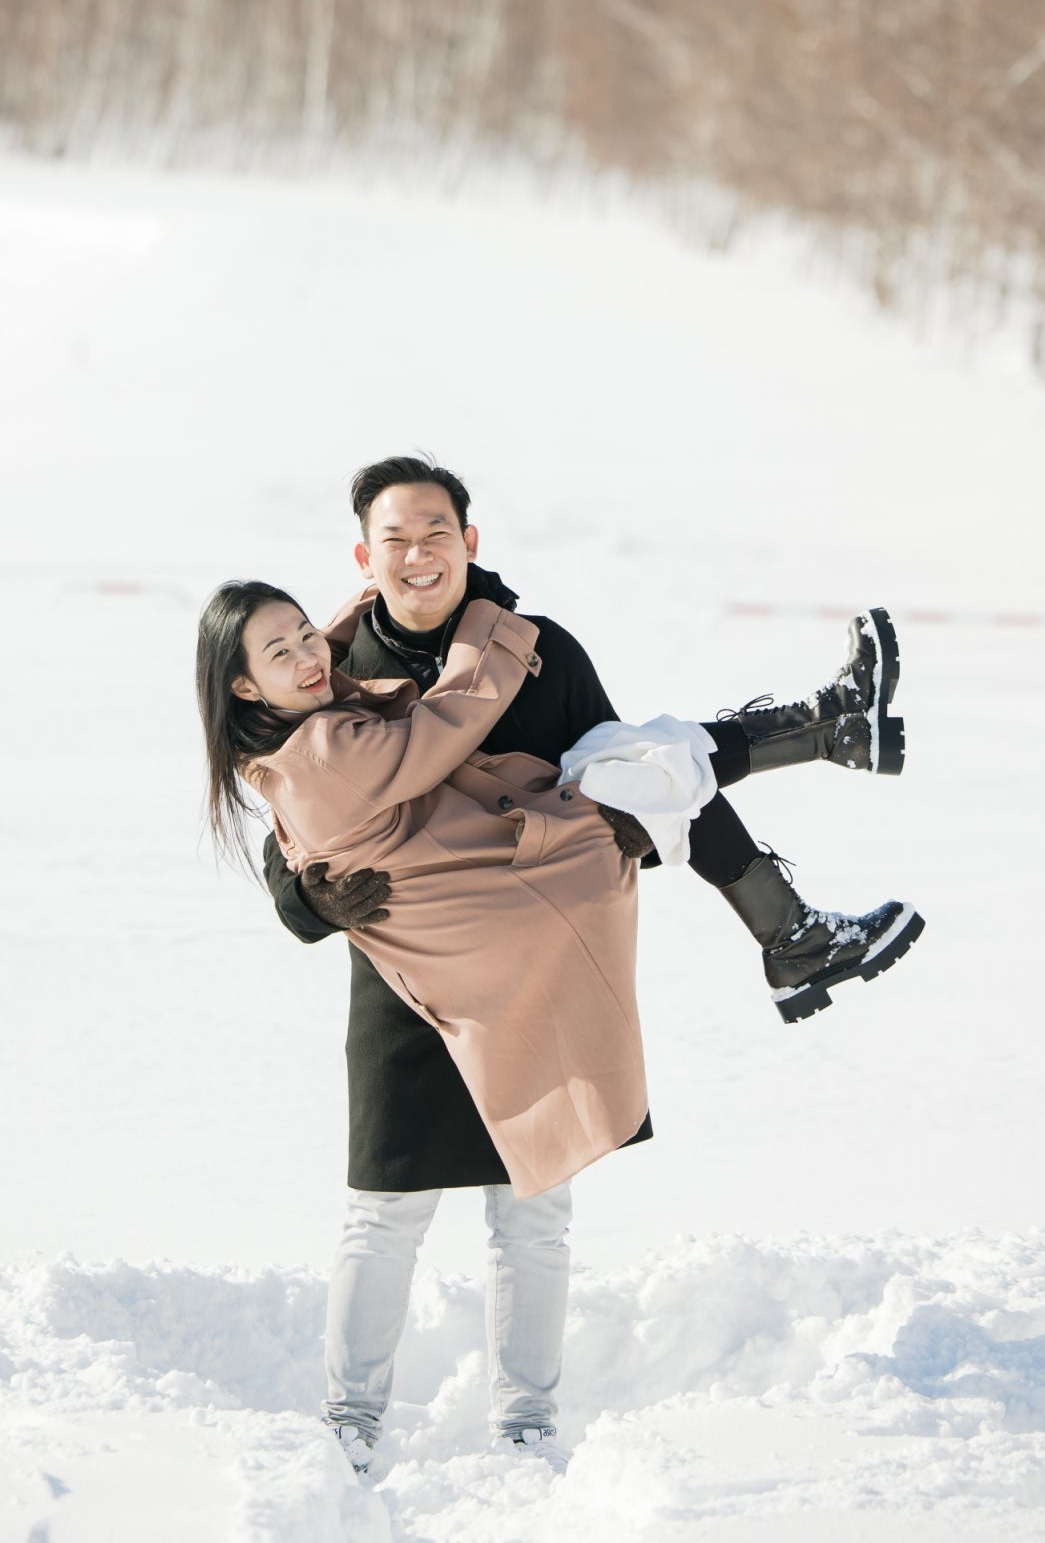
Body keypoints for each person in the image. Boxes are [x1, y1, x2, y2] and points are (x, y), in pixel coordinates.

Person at [247, 458, 922, 1471]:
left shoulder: (543, 652)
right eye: (396, 537)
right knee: (382, 1214)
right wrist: (304, 895)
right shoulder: (324, 668)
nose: (418, 552)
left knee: (534, 1209)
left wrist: (610, 837)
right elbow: (288, 813)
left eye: (437, 531)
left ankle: (525, 1425)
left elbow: (634, 772)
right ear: (365, 555)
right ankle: (349, 1423)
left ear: (471, 542)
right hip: (409, 979)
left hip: (532, 963)